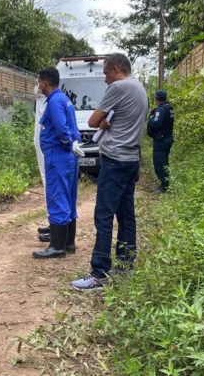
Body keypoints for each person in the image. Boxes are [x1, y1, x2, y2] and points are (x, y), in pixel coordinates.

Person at [71, 53, 148, 290]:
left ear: (115, 69)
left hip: (114, 160)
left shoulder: (118, 87)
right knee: (126, 215)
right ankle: (125, 265)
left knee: (103, 216)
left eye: (105, 74)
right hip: (130, 159)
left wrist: (102, 120)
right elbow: (126, 123)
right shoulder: (140, 88)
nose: (105, 79)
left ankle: (99, 272)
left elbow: (93, 121)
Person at [33, 67, 85, 259]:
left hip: (58, 155)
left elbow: (62, 129)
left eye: (39, 82)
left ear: (44, 83)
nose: (38, 85)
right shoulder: (64, 99)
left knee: (57, 197)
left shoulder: (54, 101)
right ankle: (68, 243)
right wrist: (73, 144)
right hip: (68, 157)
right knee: (69, 198)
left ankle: (57, 246)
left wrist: (67, 143)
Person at [147, 90, 175, 194]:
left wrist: (151, 118)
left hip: (161, 140)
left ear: (157, 98)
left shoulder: (160, 109)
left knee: (159, 163)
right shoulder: (169, 108)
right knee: (164, 162)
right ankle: (165, 184)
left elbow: (156, 123)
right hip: (167, 138)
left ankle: (164, 186)